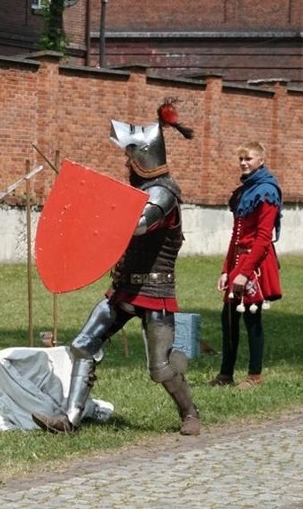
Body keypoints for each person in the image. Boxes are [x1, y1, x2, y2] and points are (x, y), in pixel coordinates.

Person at [32, 99, 201, 436]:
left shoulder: (164, 194)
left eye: (130, 156)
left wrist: (94, 211)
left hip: (155, 289)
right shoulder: (139, 190)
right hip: (124, 287)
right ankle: (69, 419)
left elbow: (136, 224)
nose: (127, 162)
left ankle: (190, 414)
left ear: (144, 158)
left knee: (160, 368)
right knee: (83, 345)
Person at [211, 141, 282, 389]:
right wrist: (226, 269)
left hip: (256, 261)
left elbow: (263, 237)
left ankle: (255, 376)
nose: (243, 162)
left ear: (261, 160)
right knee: (228, 318)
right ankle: (226, 374)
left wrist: (245, 272)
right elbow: (235, 235)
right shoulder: (243, 191)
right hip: (238, 260)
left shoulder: (267, 191)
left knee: (253, 318)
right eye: (241, 158)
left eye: (248, 158)